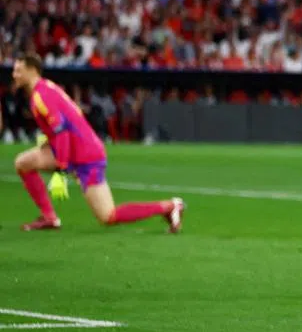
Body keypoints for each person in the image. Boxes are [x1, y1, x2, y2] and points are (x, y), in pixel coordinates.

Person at [11, 53, 185, 232]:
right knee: (23, 163)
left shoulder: (41, 95)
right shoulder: (46, 88)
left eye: (18, 70)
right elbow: (71, 117)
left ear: (32, 70)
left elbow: (62, 131)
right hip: (73, 149)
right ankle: (50, 218)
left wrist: (61, 172)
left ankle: (170, 206)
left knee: (108, 216)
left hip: (85, 156)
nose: (14, 74)